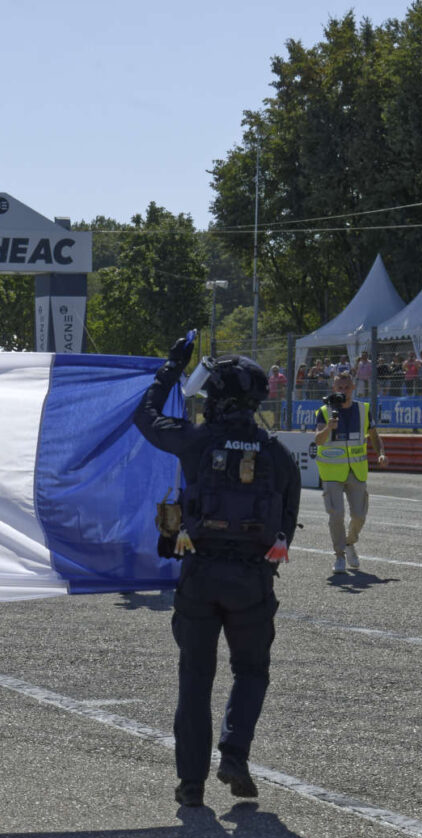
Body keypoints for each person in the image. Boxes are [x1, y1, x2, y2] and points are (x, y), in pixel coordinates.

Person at [134, 337, 300, 808]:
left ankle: (190, 785)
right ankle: (235, 755)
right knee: (251, 671)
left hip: (200, 576)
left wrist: (169, 369)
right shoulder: (277, 454)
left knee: (195, 680)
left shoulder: (197, 440)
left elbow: (144, 417)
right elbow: (285, 531)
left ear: (220, 396)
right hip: (252, 581)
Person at [313, 372, 386, 573]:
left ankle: (349, 542)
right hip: (332, 472)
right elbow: (318, 440)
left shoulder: (363, 410)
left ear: (353, 388)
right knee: (336, 515)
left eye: (346, 387)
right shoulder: (324, 411)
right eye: (339, 388)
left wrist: (381, 453)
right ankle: (339, 555)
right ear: (333, 389)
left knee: (359, 515)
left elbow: (374, 435)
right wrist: (329, 427)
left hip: (356, 471)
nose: (343, 391)